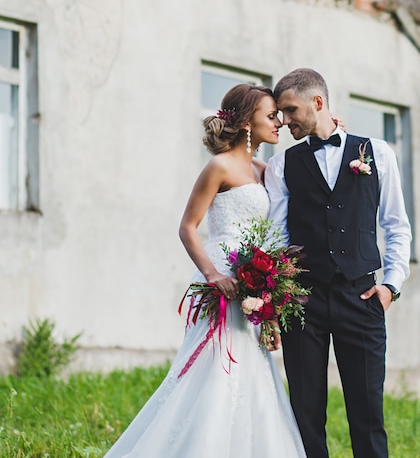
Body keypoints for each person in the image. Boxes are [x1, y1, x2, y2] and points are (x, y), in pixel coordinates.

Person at [105, 84, 306, 457]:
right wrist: (213, 274)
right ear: (248, 122)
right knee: (215, 367)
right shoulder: (219, 166)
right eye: (270, 115)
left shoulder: (265, 170)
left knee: (251, 365)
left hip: (255, 281)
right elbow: (188, 226)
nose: (278, 122)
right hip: (222, 279)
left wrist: (269, 301)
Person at [264, 68, 412, 458]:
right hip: (303, 302)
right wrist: (280, 297)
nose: (284, 120)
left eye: (290, 110)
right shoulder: (282, 166)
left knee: (367, 417)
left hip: (361, 298)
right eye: (279, 113)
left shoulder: (378, 153)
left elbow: (396, 225)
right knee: (306, 416)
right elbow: (277, 236)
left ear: (318, 102)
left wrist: (391, 286)